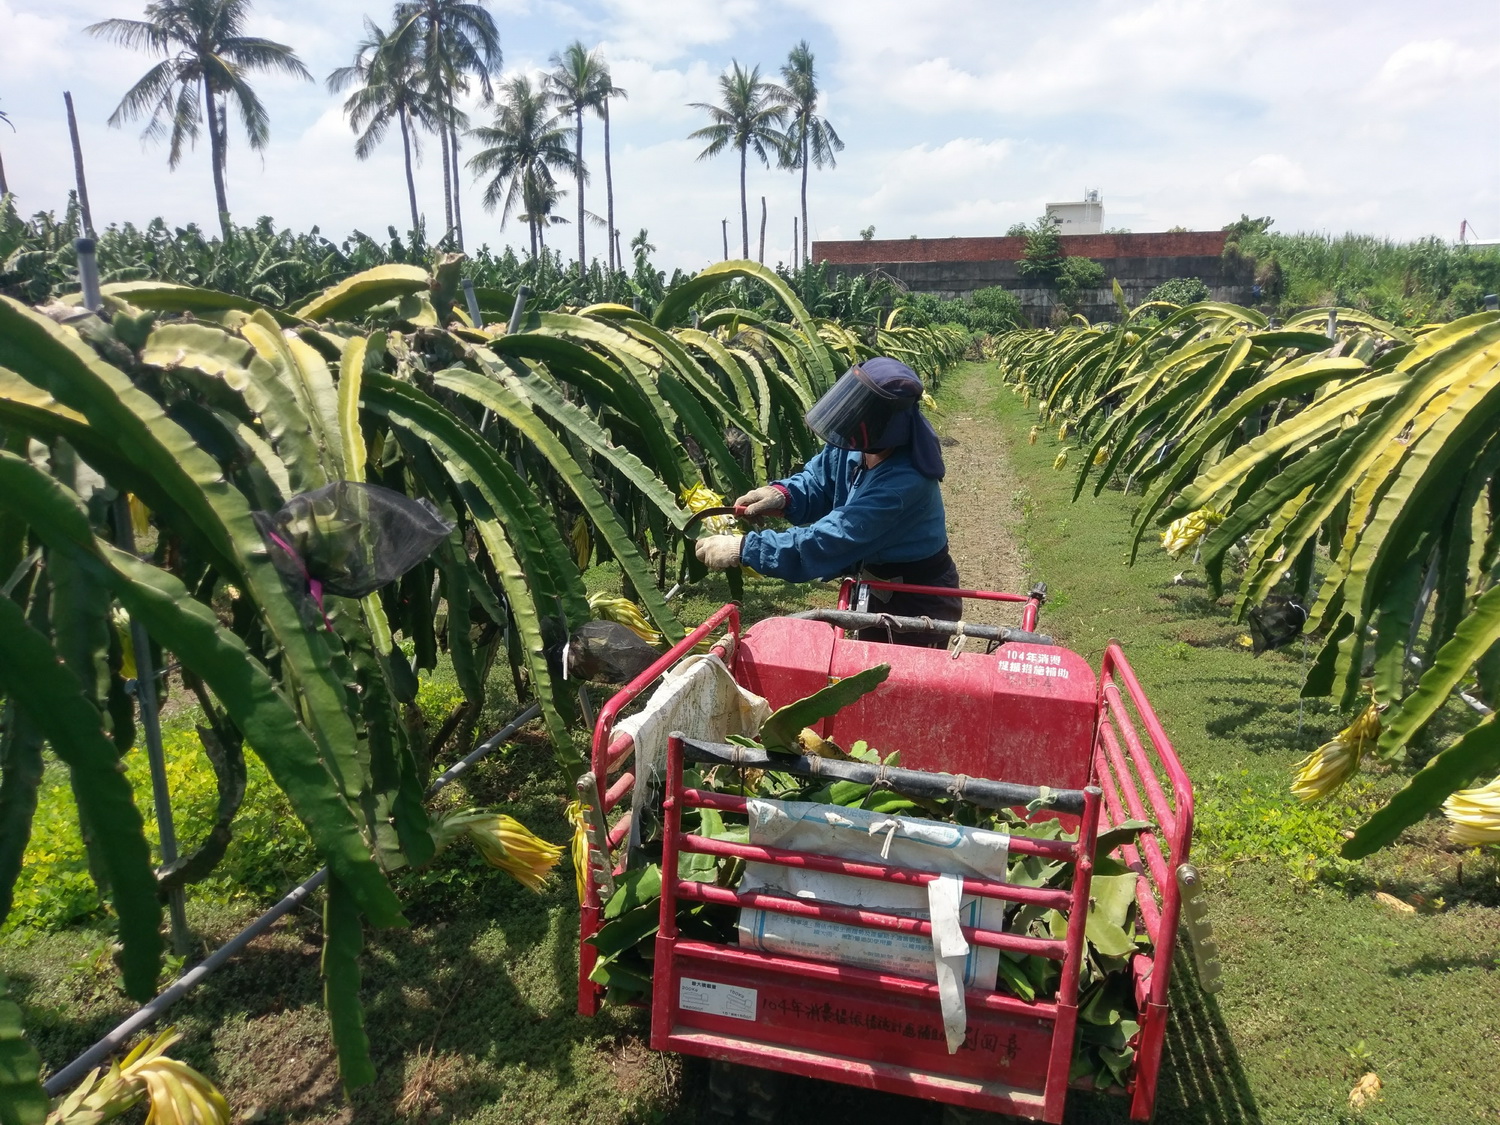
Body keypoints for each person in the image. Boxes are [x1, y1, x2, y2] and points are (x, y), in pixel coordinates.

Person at [694, 357, 962, 646]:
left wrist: (745, 548)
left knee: (900, 683)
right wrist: (783, 495)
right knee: (867, 670)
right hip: (874, 585)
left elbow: (828, 540)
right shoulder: (859, 445)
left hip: (916, 601)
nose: (850, 416)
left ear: (885, 422)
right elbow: (819, 480)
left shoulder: (904, 483)